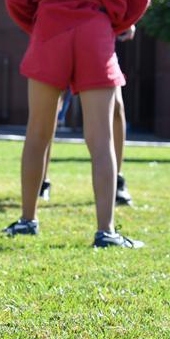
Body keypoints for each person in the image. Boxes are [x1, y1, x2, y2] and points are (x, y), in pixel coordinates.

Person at [2, 0, 150, 248]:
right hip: (95, 32)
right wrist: (115, 23)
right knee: (100, 140)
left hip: (50, 29)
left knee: (38, 133)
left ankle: (27, 220)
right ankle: (106, 231)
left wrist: (36, 26)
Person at [36, 26, 135, 205]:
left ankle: (117, 181)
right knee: (49, 108)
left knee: (116, 107)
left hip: (98, 33)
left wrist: (128, 20)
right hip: (58, 27)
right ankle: (41, 181)